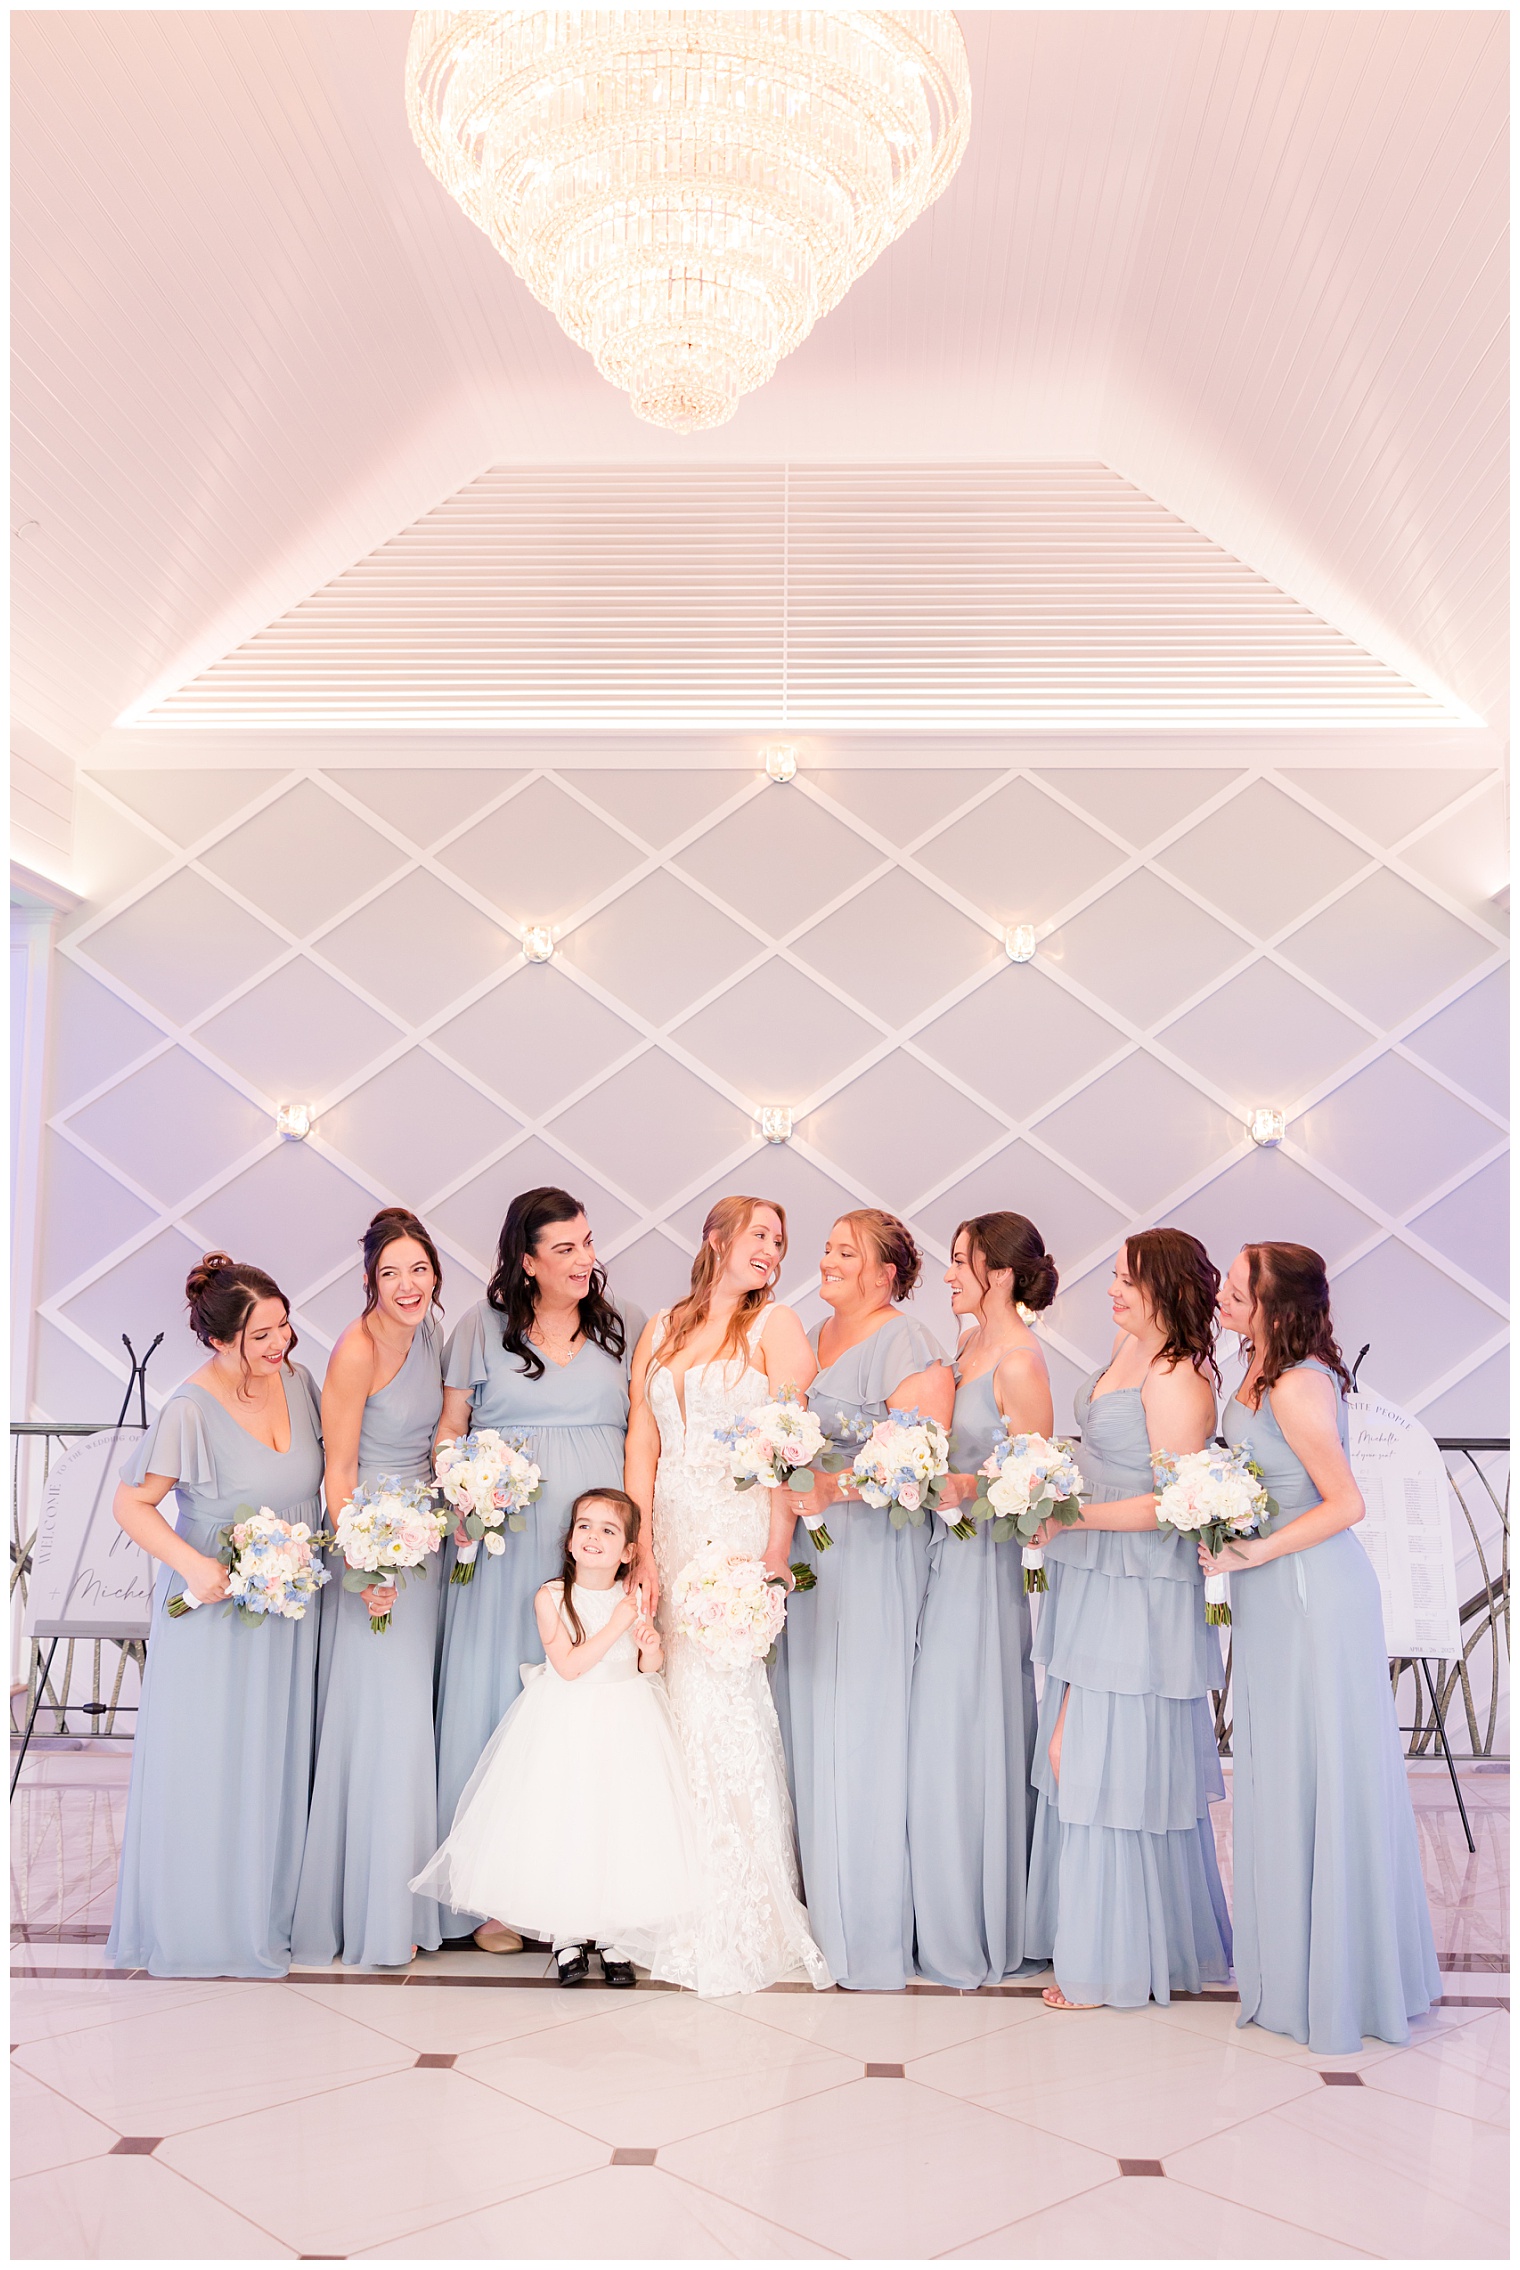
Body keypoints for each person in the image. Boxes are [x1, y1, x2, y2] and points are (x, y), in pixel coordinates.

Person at [1212, 1242, 1440, 2052]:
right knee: (1280, 1772)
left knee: (1324, 1774)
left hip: (1314, 1596)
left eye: (1238, 1289)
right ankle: (1291, 1970)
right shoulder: (1250, 1370)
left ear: (1278, 1304)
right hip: (1272, 1595)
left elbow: (1345, 1503)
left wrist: (1254, 1550)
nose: (1223, 1297)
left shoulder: (1302, 1382)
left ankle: (1342, 1982)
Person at [625, 1196, 830, 1996]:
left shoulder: (775, 1325)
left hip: (737, 1527)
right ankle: (662, 1898)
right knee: (670, 1703)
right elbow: (643, 1437)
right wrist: (641, 1542)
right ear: (716, 1240)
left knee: (724, 1702)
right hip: (670, 1525)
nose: (772, 1252)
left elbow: (787, 1443)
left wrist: (775, 1551)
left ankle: (735, 1909)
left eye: (781, 1241)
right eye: (760, 1236)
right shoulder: (662, 1329)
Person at [1025, 1229, 1233, 2010]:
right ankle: (1104, 1939)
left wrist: (1070, 1517)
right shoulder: (1126, 1347)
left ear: (1166, 1289)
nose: (1111, 1290)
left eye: (1124, 1280)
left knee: (1099, 1758)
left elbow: (1174, 1506)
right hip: (1093, 1579)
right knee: (1074, 1752)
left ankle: (1111, 1961)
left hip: (1140, 1584)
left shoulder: (1181, 1376)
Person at [432, 1187, 643, 1952]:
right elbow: (451, 1431)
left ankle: (587, 1894)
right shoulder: (479, 1330)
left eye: (588, 1243)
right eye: (564, 1248)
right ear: (526, 1261)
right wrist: (464, 1496)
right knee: (500, 1699)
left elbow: (644, 1438)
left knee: (589, 1712)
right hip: (506, 1539)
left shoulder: (624, 1329)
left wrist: (636, 1542)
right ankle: (497, 1897)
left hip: (595, 1540)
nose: (585, 1259)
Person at [106, 1254, 324, 1978]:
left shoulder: (299, 1381)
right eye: (261, 1335)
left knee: (276, 1757)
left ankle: (269, 1911)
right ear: (217, 1340)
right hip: (214, 1611)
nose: (279, 1344)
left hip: (289, 1609)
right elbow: (130, 1505)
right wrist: (197, 1568)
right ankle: (200, 1923)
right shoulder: (189, 1410)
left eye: (284, 1326)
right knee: (211, 1763)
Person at [411, 1490, 700, 1986]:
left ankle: (612, 1936)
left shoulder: (632, 1599)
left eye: (609, 1531)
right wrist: (614, 1626)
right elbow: (567, 1667)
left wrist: (650, 1647)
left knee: (617, 1822)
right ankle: (567, 1936)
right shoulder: (550, 1597)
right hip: (565, 1721)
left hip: (627, 1719)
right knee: (567, 1819)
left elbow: (646, 1667)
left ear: (628, 1551)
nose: (593, 1537)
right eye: (585, 1526)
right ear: (569, 1540)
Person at [775, 1210, 951, 1990]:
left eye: (848, 1252)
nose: (829, 1259)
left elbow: (917, 1467)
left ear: (886, 1275)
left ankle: (868, 1931)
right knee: (811, 1723)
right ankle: (816, 1913)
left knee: (864, 1729)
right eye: (828, 1248)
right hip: (812, 1552)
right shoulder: (809, 1338)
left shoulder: (905, 1343)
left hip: (873, 1554)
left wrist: (829, 1488)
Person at [291, 1209, 446, 1970]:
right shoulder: (354, 1351)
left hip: (428, 1543)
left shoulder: (432, 1338)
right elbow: (339, 1471)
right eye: (391, 1273)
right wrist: (364, 1568)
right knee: (381, 1723)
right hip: (375, 1551)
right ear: (368, 1280)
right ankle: (374, 1911)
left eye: (419, 1269)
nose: (408, 1285)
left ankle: (412, 1900)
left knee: (412, 1719)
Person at [908, 1212, 1049, 1987]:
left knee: (965, 1727)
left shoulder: (1021, 1362)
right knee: (938, 1731)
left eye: (961, 1262)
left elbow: (1036, 1494)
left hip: (979, 1564)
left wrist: (967, 1488)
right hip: (935, 1554)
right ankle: (941, 1904)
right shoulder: (964, 1348)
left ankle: (979, 1920)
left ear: (999, 1273)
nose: (950, 1274)